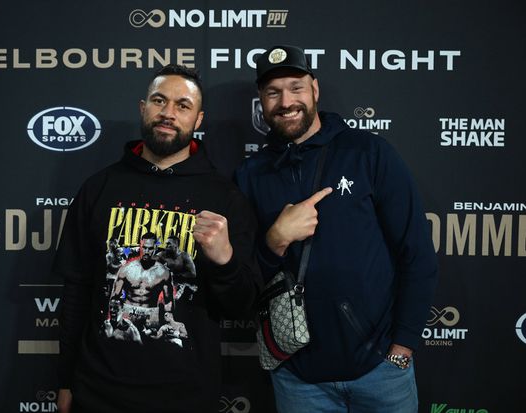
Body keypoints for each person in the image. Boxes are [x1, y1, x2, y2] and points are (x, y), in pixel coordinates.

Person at [235, 45, 438, 412]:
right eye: (273, 92)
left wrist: (402, 347)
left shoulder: (368, 152)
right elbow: (242, 279)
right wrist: (274, 240)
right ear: (261, 101)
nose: (286, 101)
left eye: (296, 87)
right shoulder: (250, 175)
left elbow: (417, 253)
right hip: (297, 377)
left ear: (314, 89)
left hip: (380, 371)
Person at [53, 64, 259, 413]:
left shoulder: (224, 198)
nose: (168, 113)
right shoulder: (99, 188)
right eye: (159, 101)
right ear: (143, 107)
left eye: (183, 105)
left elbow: (241, 307)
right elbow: (76, 293)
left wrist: (224, 260)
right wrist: (65, 380)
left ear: (198, 119)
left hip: (186, 396)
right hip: (99, 391)